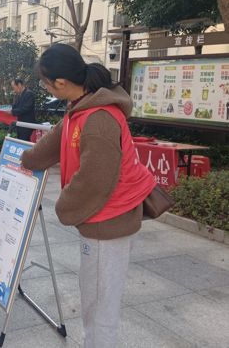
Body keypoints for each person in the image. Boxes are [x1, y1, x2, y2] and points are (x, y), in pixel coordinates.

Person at [20, 44, 156, 348]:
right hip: (103, 216)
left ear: (61, 83)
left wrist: (63, 207)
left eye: (45, 83)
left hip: (109, 222)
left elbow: (94, 181)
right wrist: (26, 159)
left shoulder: (98, 118)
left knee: (99, 306)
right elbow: (54, 141)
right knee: (95, 298)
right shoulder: (81, 107)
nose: (45, 88)